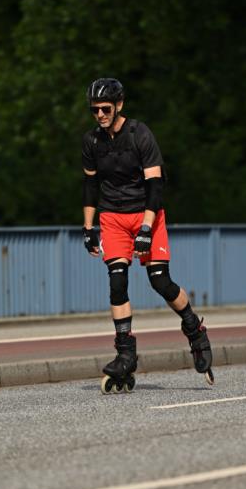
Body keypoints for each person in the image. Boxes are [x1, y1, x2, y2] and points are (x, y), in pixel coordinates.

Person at [81, 76, 213, 393]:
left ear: (119, 105)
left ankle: (194, 328)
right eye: (95, 110)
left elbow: (155, 186)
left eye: (105, 109)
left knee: (159, 281)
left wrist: (145, 228)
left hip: (146, 214)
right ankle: (125, 354)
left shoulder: (140, 134)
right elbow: (90, 187)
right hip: (112, 216)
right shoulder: (92, 142)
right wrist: (87, 227)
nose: (99, 115)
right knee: (117, 281)